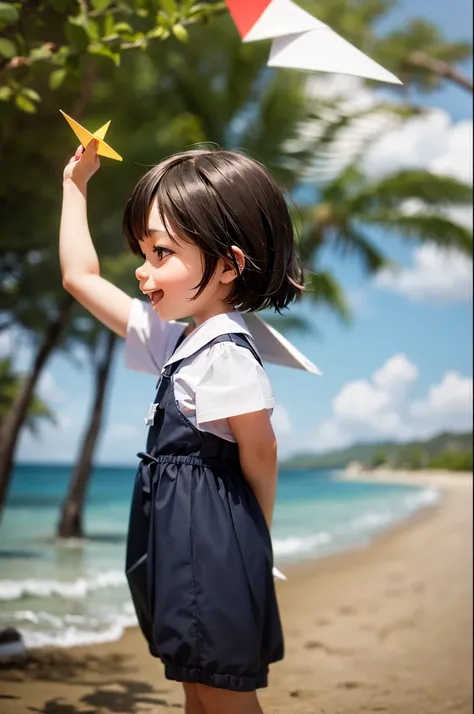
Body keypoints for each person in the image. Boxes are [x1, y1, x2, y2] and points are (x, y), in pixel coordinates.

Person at [60, 140, 311, 714]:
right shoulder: (180, 338)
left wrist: (254, 542)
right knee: (197, 687)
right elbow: (80, 277)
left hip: (214, 547)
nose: (144, 274)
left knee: (221, 693)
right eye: (143, 253)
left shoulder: (225, 351)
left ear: (228, 265)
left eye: (162, 254)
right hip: (183, 545)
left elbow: (260, 453)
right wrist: (74, 187)